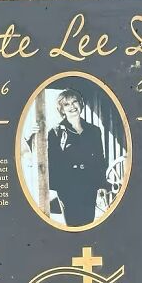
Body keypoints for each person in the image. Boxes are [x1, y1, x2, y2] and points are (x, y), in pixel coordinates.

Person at [25, 89, 108, 226]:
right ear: (62, 109)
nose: (72, 106)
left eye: (74, 102)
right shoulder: (55, 132)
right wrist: (32, 137)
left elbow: (100, 159)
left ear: (80, 104)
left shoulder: (94, 130)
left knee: (89, 222)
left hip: (90, 184)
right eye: (66, 104)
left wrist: (102, 185)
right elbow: (43, 155)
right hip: (68, 187)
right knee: (73, 224)